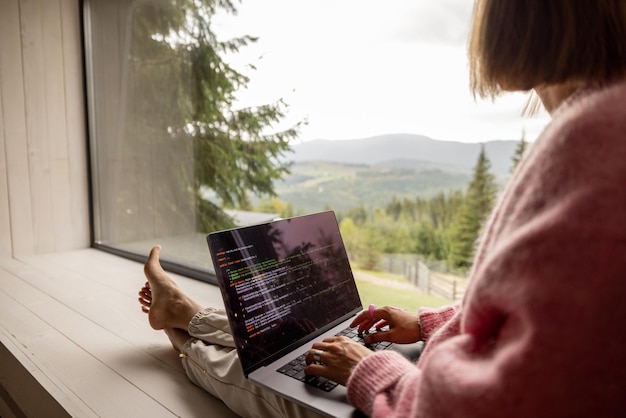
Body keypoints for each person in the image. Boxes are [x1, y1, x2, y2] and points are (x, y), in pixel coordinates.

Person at [138, 0, 626, 416]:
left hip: (426, 395)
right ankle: (187, 310)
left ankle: (182, 330)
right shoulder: (604, 129)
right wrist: (430, 324)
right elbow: (535, 320)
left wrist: (369, 370)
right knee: (291, 340)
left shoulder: (597, 149)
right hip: (440, 368)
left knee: (266, 379)